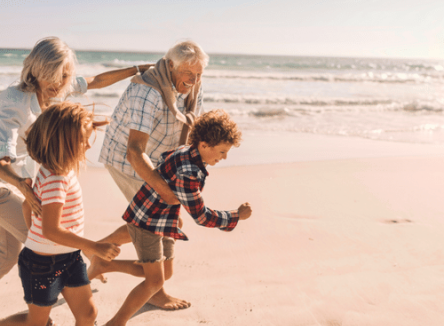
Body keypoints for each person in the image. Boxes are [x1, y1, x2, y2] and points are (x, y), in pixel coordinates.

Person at [0, 36, 153, 280]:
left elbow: (95, 81)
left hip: (24, 184)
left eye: (64, 76)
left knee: (5, 256)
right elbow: (2, 161)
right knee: (46, 245)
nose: (59, 83)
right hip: (7, 185)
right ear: (37, 69)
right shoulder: (11, 103)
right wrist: (20, 185)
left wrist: (136, 70)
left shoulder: (58, 87)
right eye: (52, 74)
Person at [102, 109, 252, 326]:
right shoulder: (189, 173)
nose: (224, 157)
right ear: (203, 145)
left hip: (164, 219)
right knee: (154, 281)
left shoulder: (187, 151)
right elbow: (201, 216)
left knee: (165, 273)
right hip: (148, 221)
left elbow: (165, 159)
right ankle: (116, 323)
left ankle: (106, 265)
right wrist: (236, 216)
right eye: (221, 152)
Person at [95, 40, 209, 309]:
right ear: (171, 66)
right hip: (127, 160)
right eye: (188, 74)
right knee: (160, 223)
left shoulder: (194, 83)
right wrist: (163, 189)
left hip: (159, 159)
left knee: (160, 222)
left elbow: (191, 128)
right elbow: (134, 151)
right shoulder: (147, 91)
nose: (194, 81)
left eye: (199, 75)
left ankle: (99, 251)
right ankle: (154, 289)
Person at [0, 102, 121, 326]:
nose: (87, 146)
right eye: (83, 140)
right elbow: (51, 230)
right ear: (62, 142)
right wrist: (93, 247)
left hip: (69, 258)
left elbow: (29, 207)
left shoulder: (55, 170)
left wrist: (34, 238)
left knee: (88, 315)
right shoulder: (56, 179)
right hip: (42, 267)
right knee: (36, 322)